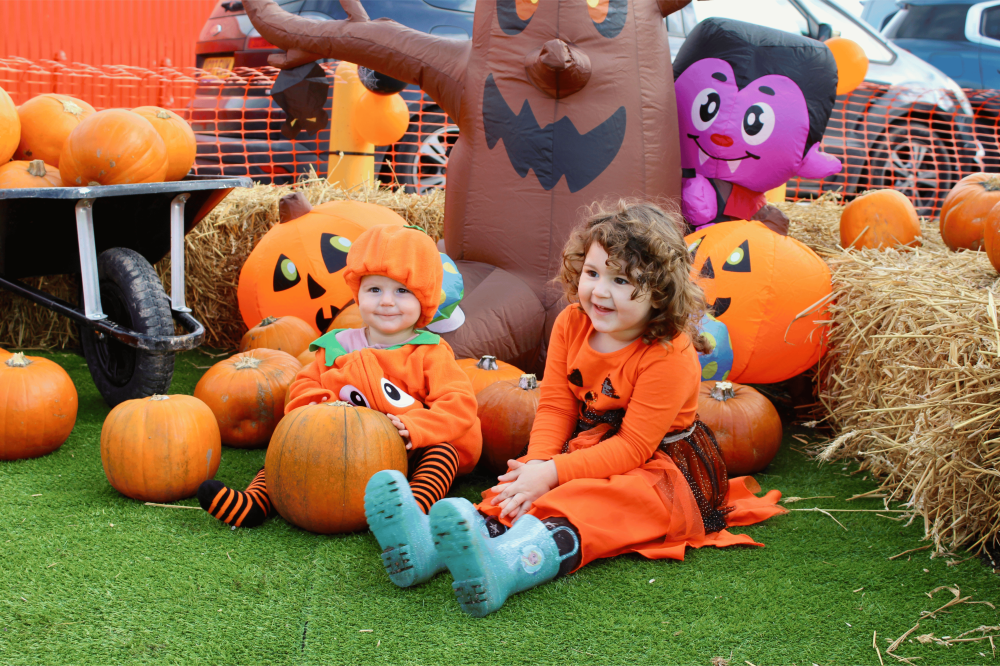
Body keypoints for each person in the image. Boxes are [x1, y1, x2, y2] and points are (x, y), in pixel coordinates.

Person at [363, 199, 786, 617]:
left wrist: (553, 474)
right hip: (589, 446)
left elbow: (634, 448)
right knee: (514, 493)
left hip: (658, 468)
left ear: (660, 291)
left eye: (621, 281)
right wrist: (537, 465)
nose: (599, 291)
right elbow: (554, 407)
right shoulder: (571, 322)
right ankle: (426, 551)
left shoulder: (667, 353)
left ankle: (507, 567)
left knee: (590, 501)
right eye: (592, 272)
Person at [198, 225, 482, 589]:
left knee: (442, 455)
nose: (387, 301)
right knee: (289, 450)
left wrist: (416, 429)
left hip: (408, 448)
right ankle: (254, 502)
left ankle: (410, 512)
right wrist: (320, 415)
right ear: (357, 292)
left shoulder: (429, 353)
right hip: (344, 449)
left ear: (424, 301)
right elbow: (302, 388)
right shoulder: (336, 345)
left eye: (402, 292)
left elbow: (458, 406)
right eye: (374, 289)